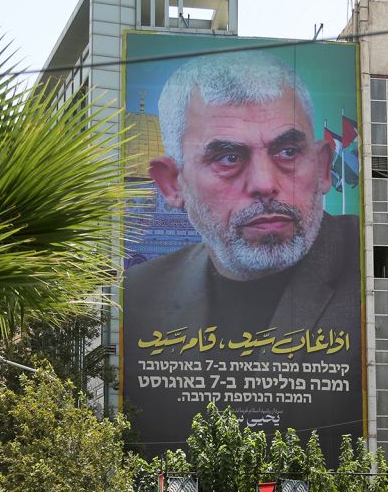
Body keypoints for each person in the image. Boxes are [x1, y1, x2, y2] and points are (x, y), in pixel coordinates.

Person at [122, 51, 361, 454]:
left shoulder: (372, 275)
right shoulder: (140, 296)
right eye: (229, 158)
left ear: (322, 168)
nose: (265, 184)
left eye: (287, 153)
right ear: (172, 184)